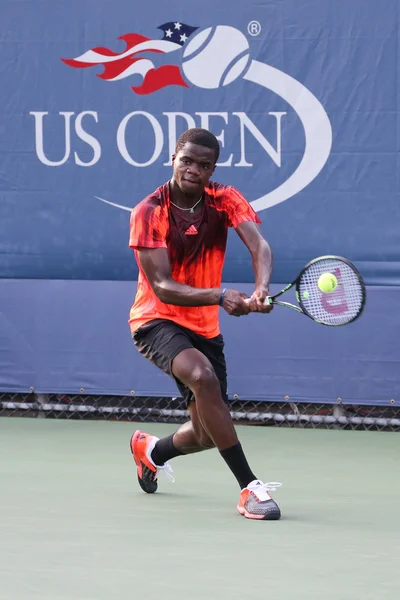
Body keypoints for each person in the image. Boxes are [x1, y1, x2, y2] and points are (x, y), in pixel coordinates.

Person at [128, 128, 282, 520]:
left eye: (204, 164)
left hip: (204, 327)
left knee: (205, 433)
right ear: (173, 157)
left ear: (213, 168)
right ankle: (250, 488)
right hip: (156, 320)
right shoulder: (149, 211)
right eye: (187, 160)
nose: (194, 170)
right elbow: (163, 287)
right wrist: (220, 295)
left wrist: (261, 288)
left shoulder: (224, 199)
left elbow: (259, 245)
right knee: (203, 377)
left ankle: (151, 452)